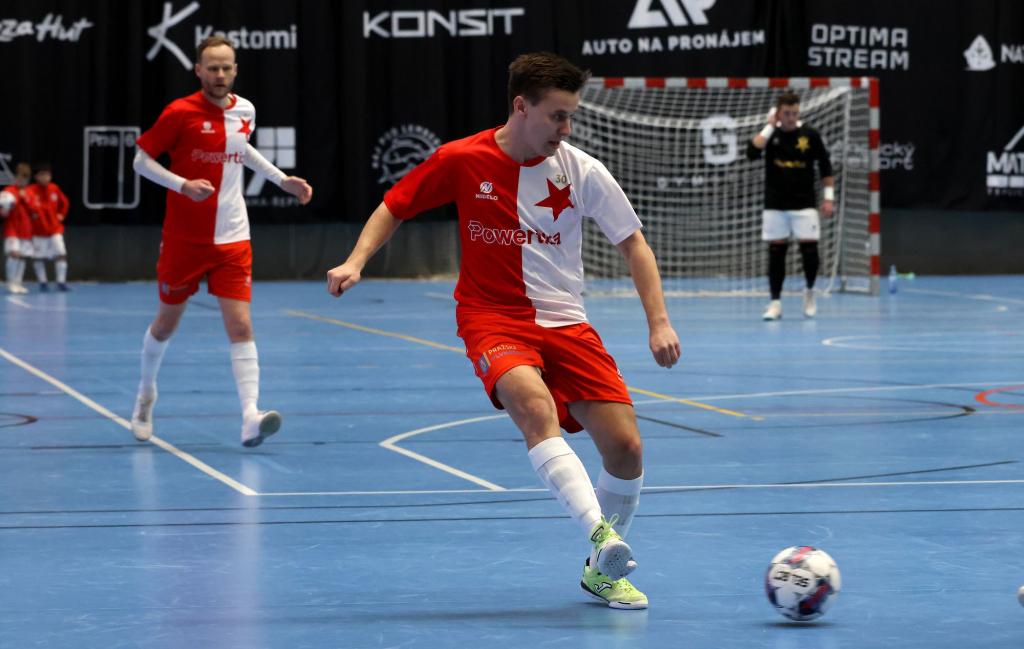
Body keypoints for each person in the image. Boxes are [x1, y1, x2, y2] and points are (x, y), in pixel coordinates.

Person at [326, 52, 681, 609]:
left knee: (626, 447)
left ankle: (600, 574)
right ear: (521, 107)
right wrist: (356, 260)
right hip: (491, 316)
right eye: (557, 116)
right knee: (534, 408)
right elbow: (394, 205)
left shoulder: (582, 170)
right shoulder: (462, 158)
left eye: (571, 117)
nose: (566, 129)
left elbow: (633, 243)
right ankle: (601, 538)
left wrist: (658, 322)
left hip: (566, 321)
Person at [130, 35, 312, 447]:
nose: (219, 74)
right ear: (198, 71)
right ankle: (145, 395)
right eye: (212, 67)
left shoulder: (245, 110)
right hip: (184, 240)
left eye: (226, 67)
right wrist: (182, 185)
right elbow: (141, 161)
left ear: (235, 70)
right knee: (165, 324)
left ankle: (250, 416)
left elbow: (241, 150)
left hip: (233, 236)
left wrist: (282, 179)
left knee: (241, 324)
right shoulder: (180, 113)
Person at [746, 91, 834, 320]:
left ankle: (809, 293)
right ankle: (775, 303)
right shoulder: (771, 134)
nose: (791, 118)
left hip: (804, 204)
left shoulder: (810, 135)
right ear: (778, 113)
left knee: (810, 252)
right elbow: (752, 152)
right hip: (775, 205)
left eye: (795, 113)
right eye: (786, 113)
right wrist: (769, 126)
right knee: (776, 254)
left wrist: (829, 198)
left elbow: (825, 166)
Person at [26, 163, 71, 292]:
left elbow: (65, 203)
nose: (45, 177)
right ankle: (43, 282)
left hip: (55, 229)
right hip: (38, 232)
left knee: (61, 254)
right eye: (42, 175)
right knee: (38, 257)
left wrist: (61, 215)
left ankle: (61, 282)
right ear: (36, 177)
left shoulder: (54, 188)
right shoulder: (30, 191)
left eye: (47, 175)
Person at [1, 162, 35, 294]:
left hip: (26, 230)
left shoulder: (30, 192)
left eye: (25, 178)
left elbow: (34, 211)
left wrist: (24, 198)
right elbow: (3, 210)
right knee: (14, 254)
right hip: (12, 229)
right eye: (19, 177)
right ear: (15, 177)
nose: (22, 181)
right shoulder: (8, 191)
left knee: (22, 256)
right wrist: (3, 211)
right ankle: (10, 283)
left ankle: (18, 282)